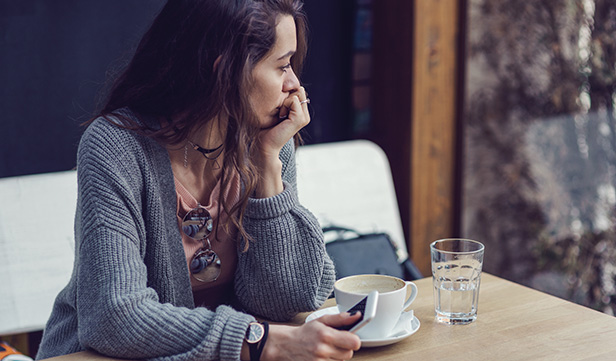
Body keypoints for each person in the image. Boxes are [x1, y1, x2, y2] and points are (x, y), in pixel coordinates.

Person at [35, 1, 362, 360]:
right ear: (224, 71)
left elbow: (284, 300)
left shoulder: (265, 140)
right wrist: (259, 341)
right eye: (282, 65)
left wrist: (268, 165)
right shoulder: (115, 146)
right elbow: (115, 316)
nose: (294, 84)